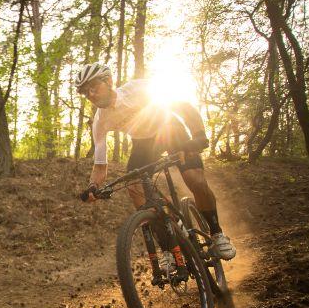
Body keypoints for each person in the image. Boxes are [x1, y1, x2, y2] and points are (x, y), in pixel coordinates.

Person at [75, 62, 236, 261]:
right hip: (144, 143)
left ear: (108, 81)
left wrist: (198, 134)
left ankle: (217, 233)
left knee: (195, 180)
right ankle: (168, 248)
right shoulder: (101, 120)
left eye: (93, 87)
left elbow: (183, 106)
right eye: (84, 92)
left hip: (170, 129)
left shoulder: (137, 90)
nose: (90, 94)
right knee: (134, 187)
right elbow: (100, 165)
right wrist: (93, 186)